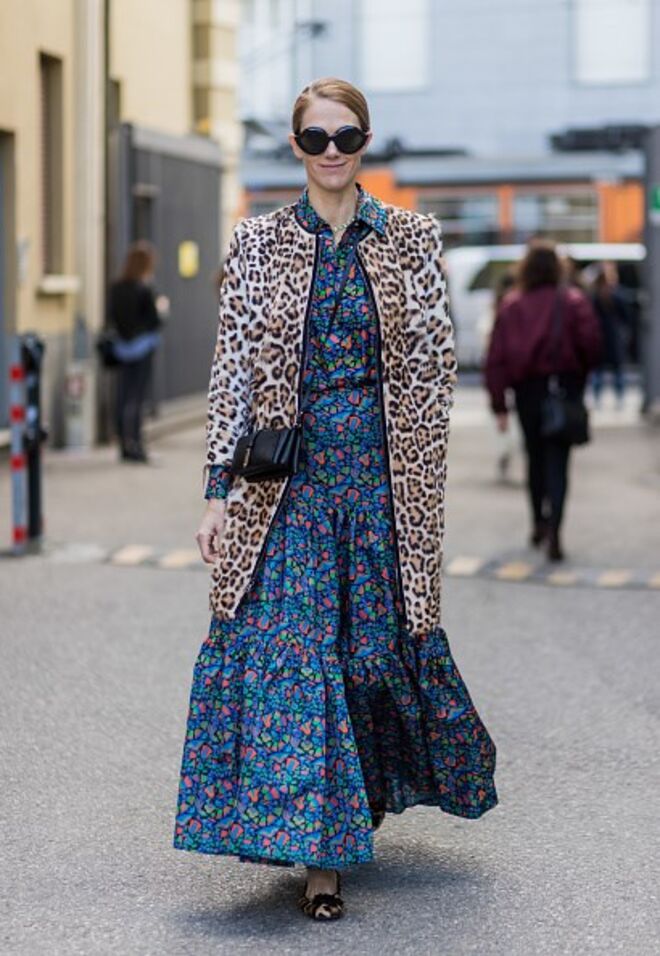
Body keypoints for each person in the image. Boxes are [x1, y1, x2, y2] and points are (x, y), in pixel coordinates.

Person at [174, 77, 498, 922]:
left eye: (345, 135)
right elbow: (232, 371)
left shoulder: (410, 238)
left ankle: (351, 805)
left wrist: (418, 480)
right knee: (293, 651)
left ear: (365, 141)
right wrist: (216, 493)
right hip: (285, 489)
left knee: (365, 657)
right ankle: (322, 862)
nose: (331, 151)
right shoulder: (257, 242)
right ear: (295, 146)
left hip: (380, 489)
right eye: (315, 138)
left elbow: (433, 364)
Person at [484, 239, 602, 562]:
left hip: (527, 393)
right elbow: (592, 345)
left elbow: (496, 358)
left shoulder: (512, 305)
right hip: (564, 388)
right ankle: (556, 530)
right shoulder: (573, 301)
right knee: (559, 462)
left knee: (534, 458)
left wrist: (499, 404)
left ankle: (538, 521)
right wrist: (578, 377)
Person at [107, 241, 165, 463]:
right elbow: (154, 320)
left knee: (123, 396)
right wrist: (161, 309)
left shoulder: (116, 288)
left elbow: (112, 317)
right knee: (137, 397)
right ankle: (136, 445)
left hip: (122, 348)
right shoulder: (144, 289)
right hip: (142, 348)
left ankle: (123, 444)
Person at [589, 263, 629, 408]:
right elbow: (625, 317)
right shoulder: (616, 295)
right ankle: (619, 399)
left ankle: (597, 399)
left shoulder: (595, 296)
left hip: (601, 335)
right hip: (612, 336)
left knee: (599, 371)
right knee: (617, 370)